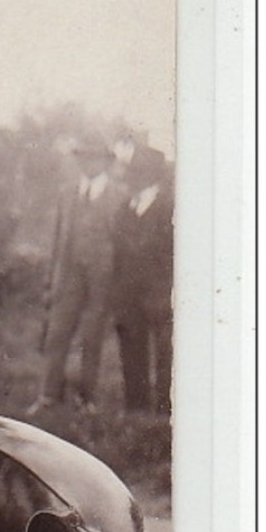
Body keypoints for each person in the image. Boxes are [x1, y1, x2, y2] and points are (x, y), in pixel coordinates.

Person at [31, 134, 127, 413]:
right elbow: (59, 239)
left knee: (92, 336)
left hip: (102, 277)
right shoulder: (68, 192)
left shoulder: (118, 195)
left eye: (95, 157)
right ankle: (48, 395)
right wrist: (53, 278)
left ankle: (87, 399)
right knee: (57, 332)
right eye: (84, 157)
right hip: (69, 275)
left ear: (106, 161)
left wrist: (116, 280)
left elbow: (122, 244)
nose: (89, 162)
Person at [111, 144, 175, 412]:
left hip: (159, 292)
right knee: (132, 349)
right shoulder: (126, 207)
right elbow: (118, 250)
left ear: (151, 175)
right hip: (128, 293)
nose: (130, 177)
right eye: (131, 171)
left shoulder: (169, 207)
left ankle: (164, 406)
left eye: (137, 172)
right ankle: (136, 404)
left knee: (165, 354)